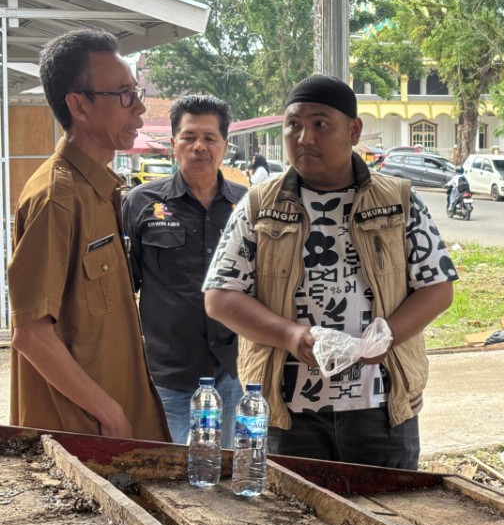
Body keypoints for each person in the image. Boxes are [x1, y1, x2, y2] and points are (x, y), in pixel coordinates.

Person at [204, 74, 456, 469]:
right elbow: (220, 296)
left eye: (320, 124)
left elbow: (437, 287)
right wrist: (289, 335)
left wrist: (387, 337)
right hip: (285, 411)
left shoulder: (400, 201)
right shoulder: (259, 206)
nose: (304, 137)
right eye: (293, 125)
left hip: (381, 408)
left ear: (353, 131)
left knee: (387, 522)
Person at [8, 29, 169, 441]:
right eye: (124, 95)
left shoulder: (101, 191)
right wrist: (110, 414)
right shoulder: (56, 199)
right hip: (83, 436)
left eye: (135, 92)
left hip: (117, 431)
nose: (139, 107)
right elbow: (31, 334)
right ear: (78, 104)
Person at [122, 95, 247, 448]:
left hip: (233, 371)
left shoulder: (247, 205)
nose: (199, 147)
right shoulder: (141, 203)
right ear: (173, 143)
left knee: (227, 471)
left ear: (225, 145)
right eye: (189, 137)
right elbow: (123, 286)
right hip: (170, 373)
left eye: (209, 138)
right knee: (175, 474)